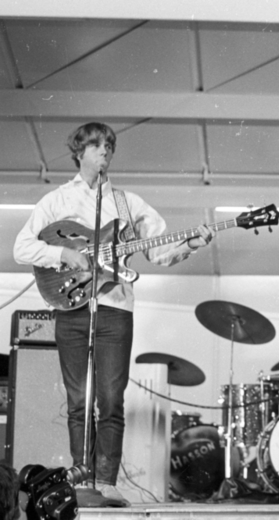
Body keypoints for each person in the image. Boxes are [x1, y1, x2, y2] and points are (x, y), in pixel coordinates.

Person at [13, 122, 214, 506]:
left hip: (116, 308)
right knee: (77, 400)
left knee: (111, 398)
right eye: (96, 145)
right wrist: (64, 254)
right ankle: (78, 479)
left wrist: (190, 242)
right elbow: (22, 247)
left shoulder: (127, 203)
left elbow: (158, 251)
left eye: (109, 145)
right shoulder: (56, 201)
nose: (104, 151)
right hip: (70, 307)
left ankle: (106, 481)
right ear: (79, 152)